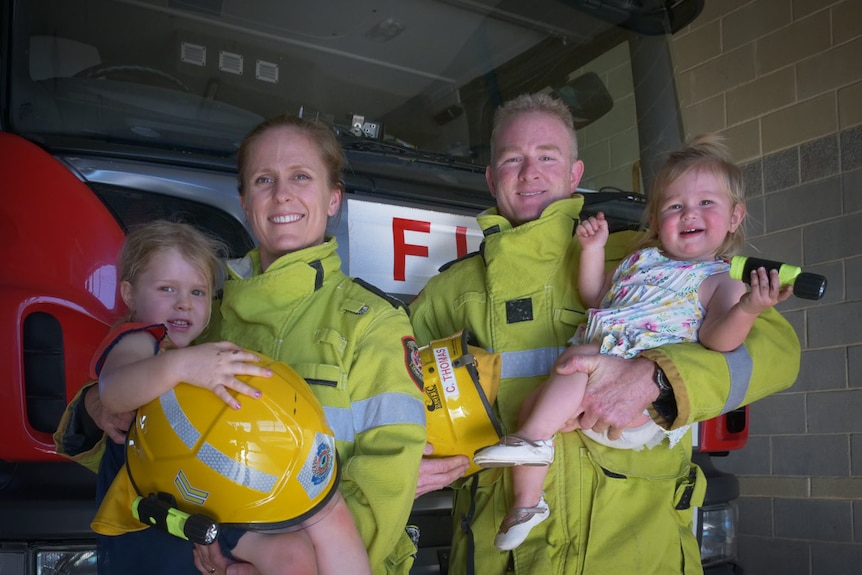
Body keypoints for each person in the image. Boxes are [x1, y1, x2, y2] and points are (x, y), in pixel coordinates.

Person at [409, 94, 801, 574]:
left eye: (547, 157)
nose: (530, 172)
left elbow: (777, 351)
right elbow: (399, 397)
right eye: (513, 159)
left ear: (575, 174)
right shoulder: (448, 292)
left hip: (637, 552)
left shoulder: (645, 255)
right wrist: (406, 461)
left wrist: (656, 378)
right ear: (491, 178)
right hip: (503, 554)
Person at [55, 115, 427, 575]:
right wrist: (94, 408)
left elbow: (385, 481)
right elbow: (147, 452)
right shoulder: (200, 307)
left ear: (334, 199)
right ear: (246, 201)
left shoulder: (373, 323)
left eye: (301, 177)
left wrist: (283, 565)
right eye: (263, 180)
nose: (281, 193)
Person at [87, 220, 372, 575]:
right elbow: (112, 391)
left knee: (308, 539)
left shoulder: (196, 349)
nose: (184, 305)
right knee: (293, 554)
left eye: (198, 292)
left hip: (207, 493)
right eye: (167, 289)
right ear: (129, 294)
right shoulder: (139, 338)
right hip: (158, 510)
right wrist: (181, 366)